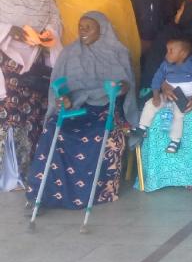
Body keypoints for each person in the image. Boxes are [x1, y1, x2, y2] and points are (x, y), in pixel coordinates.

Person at [26, 12, 138, 209]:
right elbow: (59, 87)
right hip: (77, 107)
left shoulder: (117, 52)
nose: (83, 30)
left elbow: (127, 84)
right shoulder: (69, 53)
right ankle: (43, 194)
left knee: (98, 134)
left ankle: (91, 193)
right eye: (80, 26)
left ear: (102, 29)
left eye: (89, 27)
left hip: (106, 106)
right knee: (53, 129)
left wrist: (120, 87)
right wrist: (64, 99)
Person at [138, 0, 192, 192]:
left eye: (181, 9)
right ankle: (158, 175)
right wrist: (163, 86)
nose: (177, 12)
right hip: (169, 96)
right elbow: (156, 70)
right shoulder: (168, 38)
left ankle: (190, 175)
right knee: (159, 117)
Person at [0, 0, 62, 192]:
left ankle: (28, 171)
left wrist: (50, 34)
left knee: (34, 116)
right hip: (7, 63)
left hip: (35, 61)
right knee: (9, 118)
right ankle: (8, 175)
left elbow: (55, 19)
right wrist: (7, 29)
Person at [138, 38, 192, 153]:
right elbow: (157, 78)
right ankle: (142, 128)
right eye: (167, 50)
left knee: (178, 114)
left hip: (184, 98)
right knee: (150, 104)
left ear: (183, 54)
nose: (166, 54)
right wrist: (156, 94)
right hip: (167, 96)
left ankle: (175, 140)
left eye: (171, 51)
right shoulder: (165, 65)